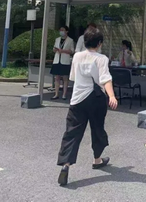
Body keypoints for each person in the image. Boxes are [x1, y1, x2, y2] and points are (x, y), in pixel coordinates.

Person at [56, 27, 118, 187]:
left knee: (72, 133)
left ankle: (65, 165)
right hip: (95, 99)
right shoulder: (101, 58)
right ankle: (97, 159)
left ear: (84, 42)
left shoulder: (77, 56)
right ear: (99, 43)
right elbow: (105, 79)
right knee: (97, 129)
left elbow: (73, 77)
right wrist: (112, 96)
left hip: (77, 99)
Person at [51, 26, 75, 100]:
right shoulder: (57, 39)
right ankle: (56, 94)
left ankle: (64, 94)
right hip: (57, 59)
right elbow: (54, 48)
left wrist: (63, 51)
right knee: (57, 77)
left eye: (63, 30)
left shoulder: (70, 40)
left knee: (65, 78)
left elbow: (72, 51)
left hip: (65, 60)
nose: (61, 31)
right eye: (60, 30)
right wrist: (55, 50)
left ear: (66, 31)